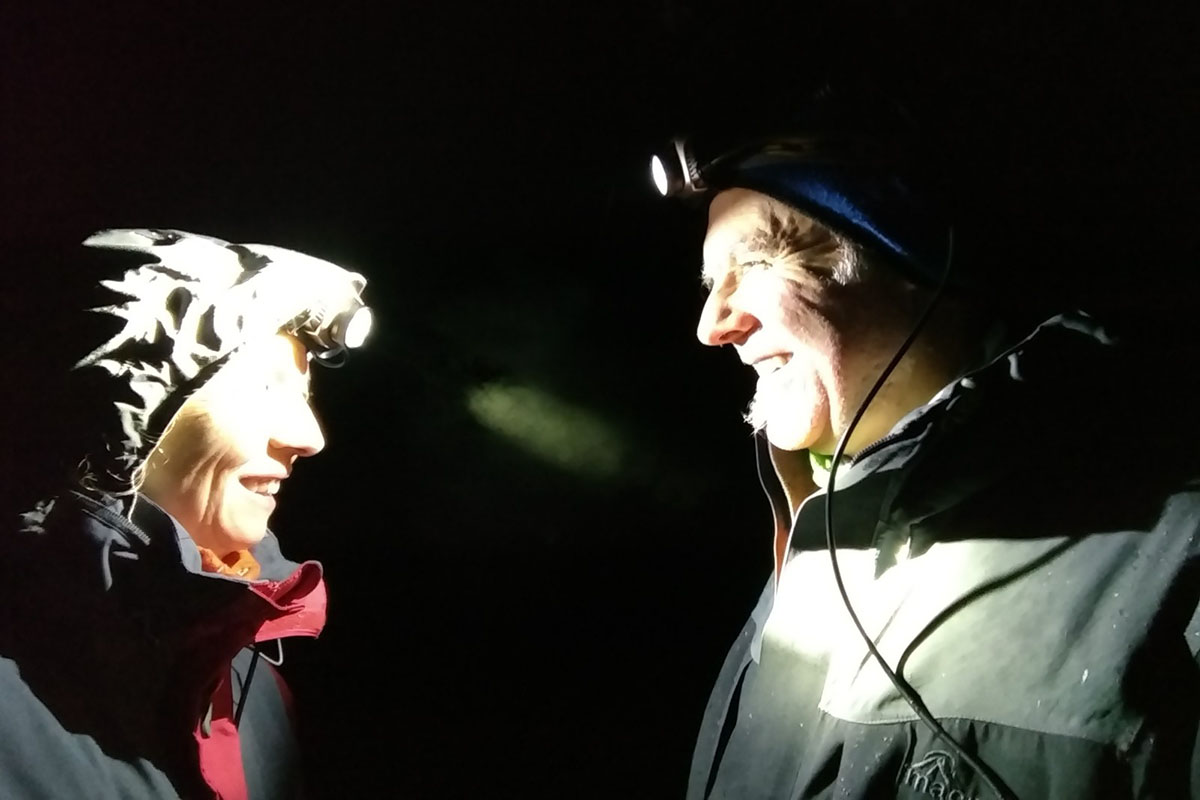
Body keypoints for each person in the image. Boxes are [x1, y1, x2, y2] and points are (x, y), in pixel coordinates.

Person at [651, 97, 1200, 798]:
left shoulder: (1175, 559)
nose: (712, 325)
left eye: (755, 263)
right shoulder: (813, 537)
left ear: (914, 262)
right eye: (710, 283)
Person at [0, 228, 372, 799]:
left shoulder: (251, 687)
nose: (309, 437)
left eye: (303, 393)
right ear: (122, 416)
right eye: (264, 387)